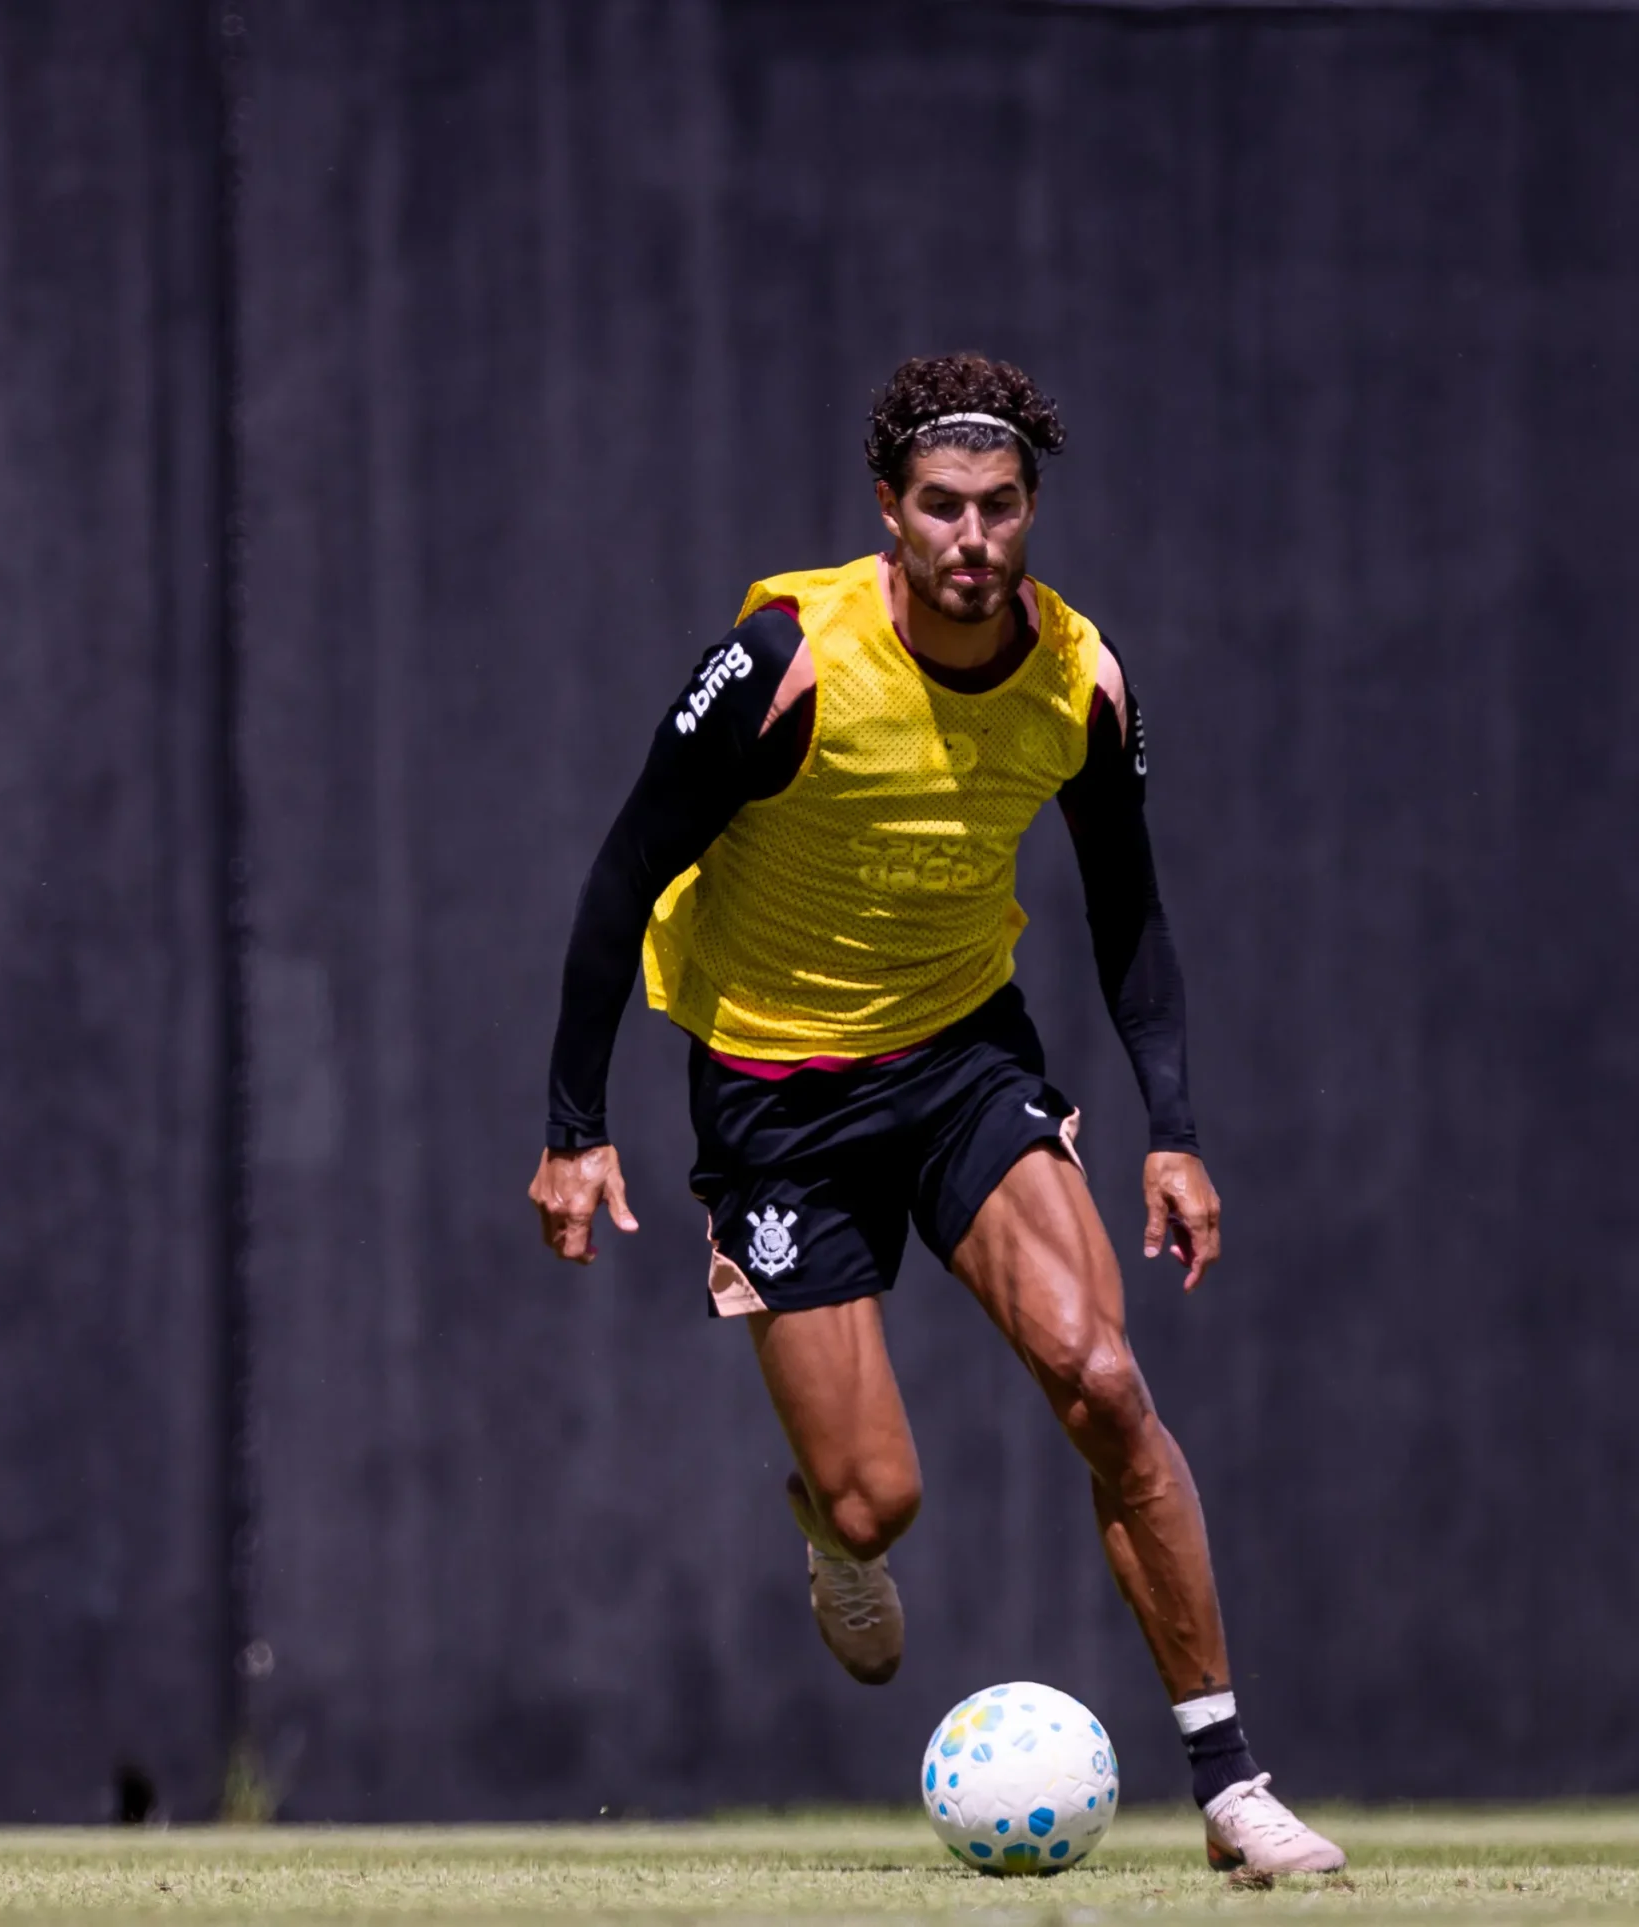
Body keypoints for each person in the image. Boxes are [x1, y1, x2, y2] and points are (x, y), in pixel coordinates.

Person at [528, 353, 1342, 1877]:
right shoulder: (786, 666)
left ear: (1033, 509)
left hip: (963, 1058)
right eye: (942, 507)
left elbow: (1131, 914)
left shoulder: (1080, 680)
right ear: (889, 513)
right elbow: (621, 872)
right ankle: (834, 1532)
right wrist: (576, 1124)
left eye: (1002, 507)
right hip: (773, 1092)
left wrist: (1171, 1127)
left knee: (1102, 1377)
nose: (973, 536)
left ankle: (1233, 1786)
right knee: (878, 1492)